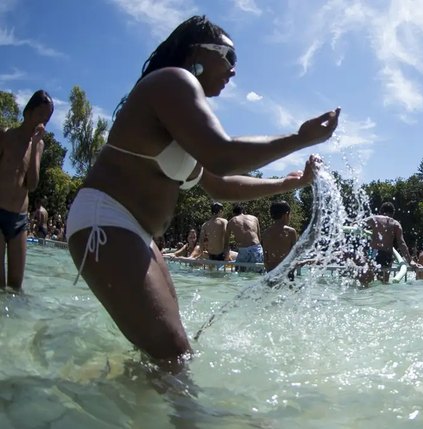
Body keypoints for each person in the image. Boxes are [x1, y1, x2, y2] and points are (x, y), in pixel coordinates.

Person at [65, 15, 340, 368]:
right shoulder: (172, 81)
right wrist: (299, 139)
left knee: (167, 354)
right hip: (106, 222)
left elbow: (219, 184)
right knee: (173, 354)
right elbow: (222, 155)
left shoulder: (183, 113)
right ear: (197, 50)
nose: (233, 70)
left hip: (137, 233)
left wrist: (289, 184)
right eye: (229, 57)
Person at [0, 90, 53, 291]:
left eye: (47, 120)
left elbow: (32, 184)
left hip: (19, 219)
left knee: (16, 287)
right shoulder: (6, 135)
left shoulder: (38, 145)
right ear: (28, 112)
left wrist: (36, 147)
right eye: (41, 115)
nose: (43, 123)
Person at [361, 202, 417, 283]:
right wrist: (410, 261)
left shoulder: (374, 218)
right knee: (384, 282)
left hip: (374, 252)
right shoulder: (395, 223)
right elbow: (401, 244)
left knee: (368, 280)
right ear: (393, 213)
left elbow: (357, 223)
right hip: (386, 255)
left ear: (380, 211)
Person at [261, 200, 297, 271]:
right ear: (286, 215)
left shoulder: (266, 233)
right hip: (286, 271)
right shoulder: (290, 232)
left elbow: (265, 258)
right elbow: (295, 254)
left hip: (271, 271)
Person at [226, 204, 263, 270]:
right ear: (243, 211)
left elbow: (226, 240)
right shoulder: (254, 218)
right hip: (256, 248)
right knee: (258, 272)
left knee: (239, 271)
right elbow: (259, 237)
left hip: (243, 250)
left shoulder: (231, 221)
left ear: (233, 213)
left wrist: (227, 254)